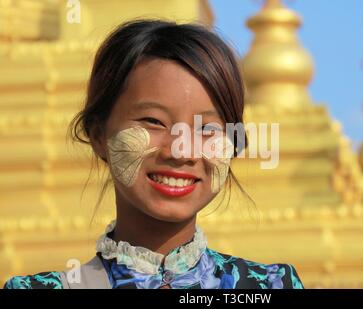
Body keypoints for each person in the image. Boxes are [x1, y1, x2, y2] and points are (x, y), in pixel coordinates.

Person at [4, 19, 303, 289]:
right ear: (98, 134)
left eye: (207, 129)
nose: (181, 151)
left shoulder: (269, 286)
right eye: (153, 121)